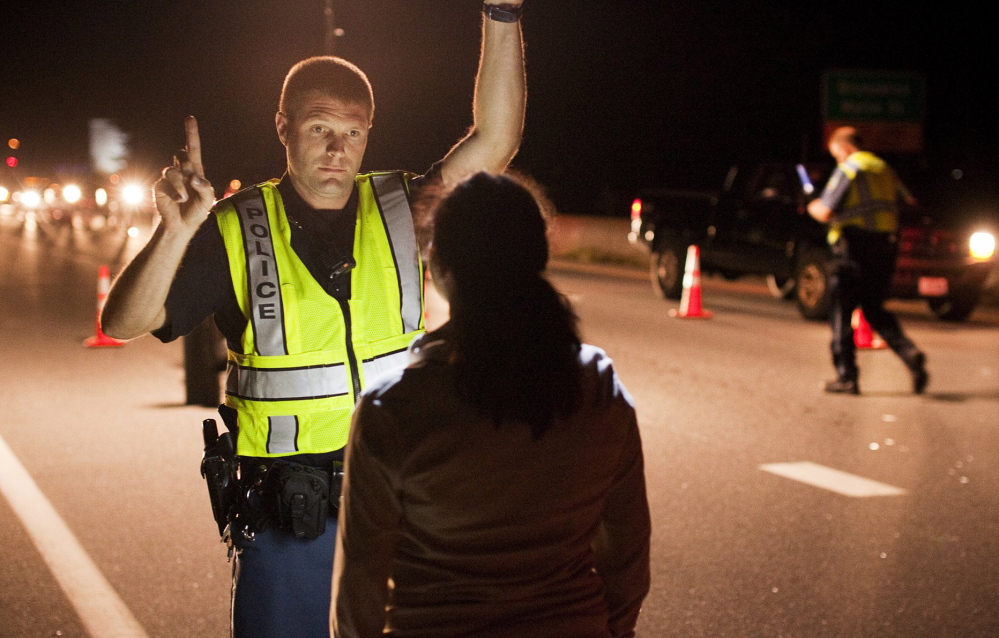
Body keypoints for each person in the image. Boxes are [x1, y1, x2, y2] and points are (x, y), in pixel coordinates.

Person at [101, 3, 527, 637]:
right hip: (288, 518)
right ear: (284, 126)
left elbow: (495, 140)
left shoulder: (403, 207)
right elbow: (123, 321)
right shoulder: (235, 228)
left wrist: (502, 12)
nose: (336, 149)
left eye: (352, 132)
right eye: (320, 127)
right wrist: (176, 231)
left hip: (401, 503)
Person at [331, 173, 652, 638]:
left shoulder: (395, 408)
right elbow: (627, 559)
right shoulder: (599, 389)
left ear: (439, 266)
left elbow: (360, 588)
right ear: (537, 258)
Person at [807, 126, 929, 395]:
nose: (838, 160)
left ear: (845, 147)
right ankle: (909, 353)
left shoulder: (851, 168)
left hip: (853, 247)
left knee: (841, 309)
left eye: (836, 154)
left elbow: (826, 211)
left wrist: (811, 206)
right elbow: (908, 201)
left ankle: (847, 376)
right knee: (874, 308)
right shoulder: (885, 169)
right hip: (885, 248)